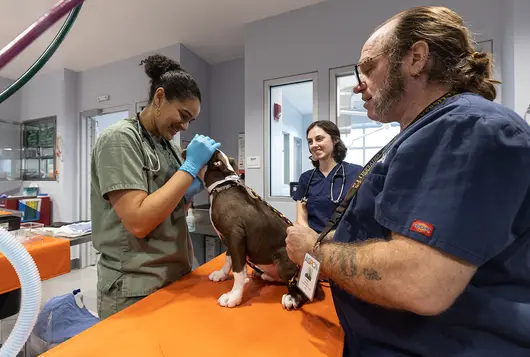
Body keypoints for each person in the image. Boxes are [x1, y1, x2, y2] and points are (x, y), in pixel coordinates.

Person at [285, 6, 530, 357]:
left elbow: (420, 281)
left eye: (368, 67)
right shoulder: (423, 134)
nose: (358, 84)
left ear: (415, 58)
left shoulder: (469, 127)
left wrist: (315, 250)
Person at [91, 54, 221, 319]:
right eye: (183, 115)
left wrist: (187, 191)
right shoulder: (120, 139)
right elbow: (139, 221)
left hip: (174, 277)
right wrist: (189, 169)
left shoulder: (168, 146)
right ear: (159, 98)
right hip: (135, 287)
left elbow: (172, 209)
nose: (184, 126)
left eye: (190, 121)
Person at [293, 120, 362, 233]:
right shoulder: (306, 178)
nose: (314, 145)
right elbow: (301, 217)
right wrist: (311, 239)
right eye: (310, 141)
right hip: (313, 242)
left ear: (335, 140)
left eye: (319, 139)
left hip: (345, 240)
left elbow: (361, 214)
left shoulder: (356, 173)